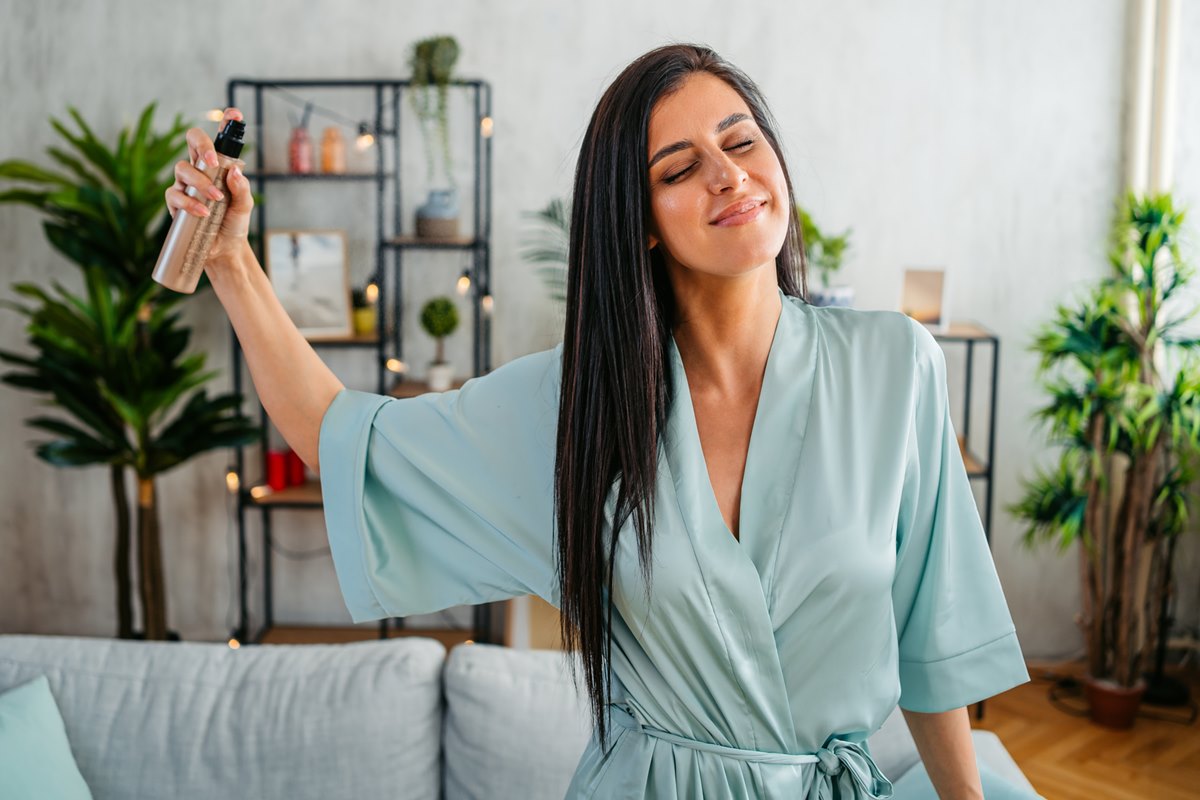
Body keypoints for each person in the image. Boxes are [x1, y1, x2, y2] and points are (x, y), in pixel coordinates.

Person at [167, 43, 1037, 800]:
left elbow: (936, 638)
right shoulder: (576, 407)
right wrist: (235, 262)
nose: (728, 174)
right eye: (679, 168)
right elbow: (337, 434)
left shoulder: (895, 366)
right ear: (641, 221)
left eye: (740, 141)